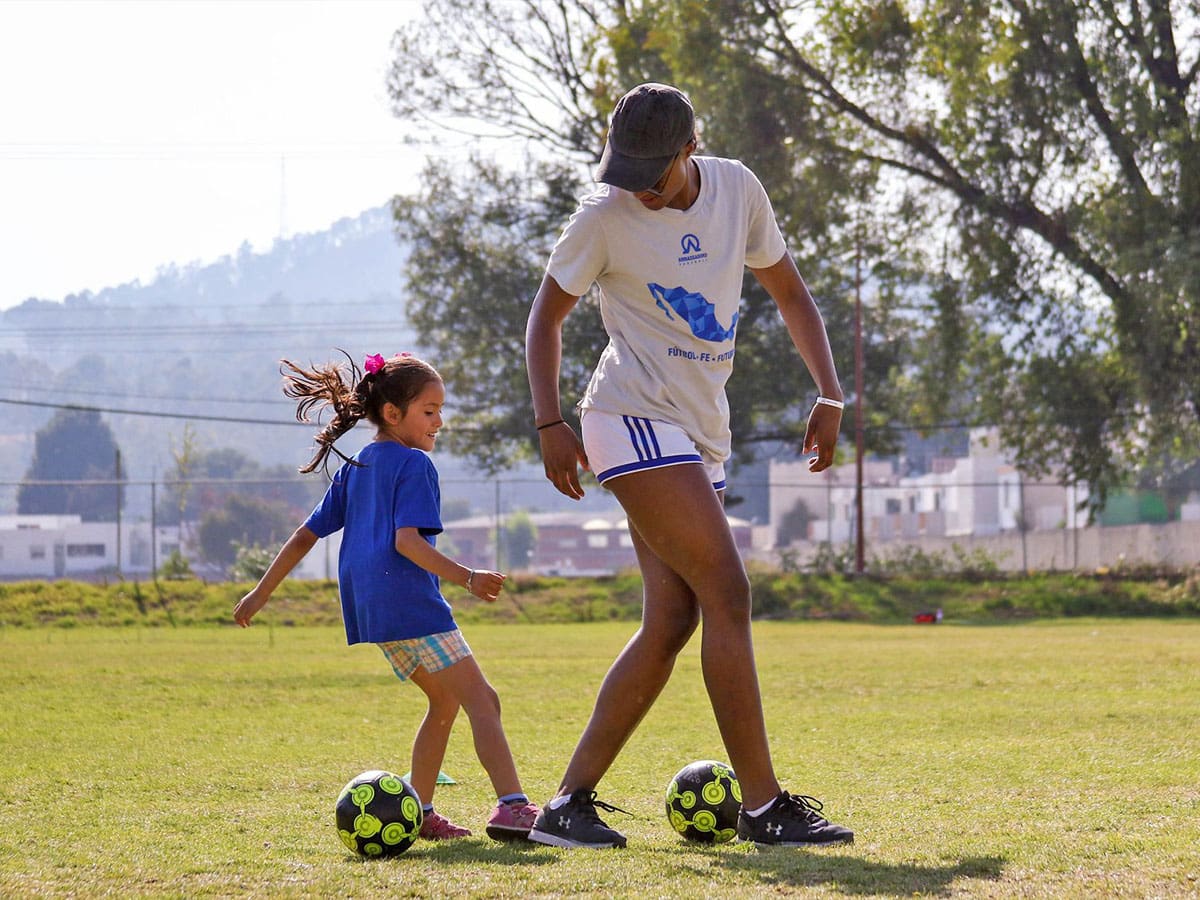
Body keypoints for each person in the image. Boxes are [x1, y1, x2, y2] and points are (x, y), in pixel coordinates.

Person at [525, 83, 854, 849]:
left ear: (689, 149)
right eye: (626, 170)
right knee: (728, 591)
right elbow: (546, 318)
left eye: (654, 172)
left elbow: (790, 292)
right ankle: (764, 807)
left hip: (699, 434)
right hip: (630, 418)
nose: (640, 187)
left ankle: (566, 807)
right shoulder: (603, 218)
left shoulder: (737, 189)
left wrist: (830, 393)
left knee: (671, 620)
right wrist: (549, 422)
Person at [233, 351, 539, 842]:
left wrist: (259, 592)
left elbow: (305, 535)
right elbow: (407, 542)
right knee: (483, 700)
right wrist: (468, 578)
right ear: (393, 413)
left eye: (440, 410)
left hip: (370, 610)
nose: (439, 422)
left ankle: (420, 811)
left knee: (444, 700)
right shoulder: (414, 464)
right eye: (429, 411)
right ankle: (512, 807)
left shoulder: (357, 465)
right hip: (409, 604)